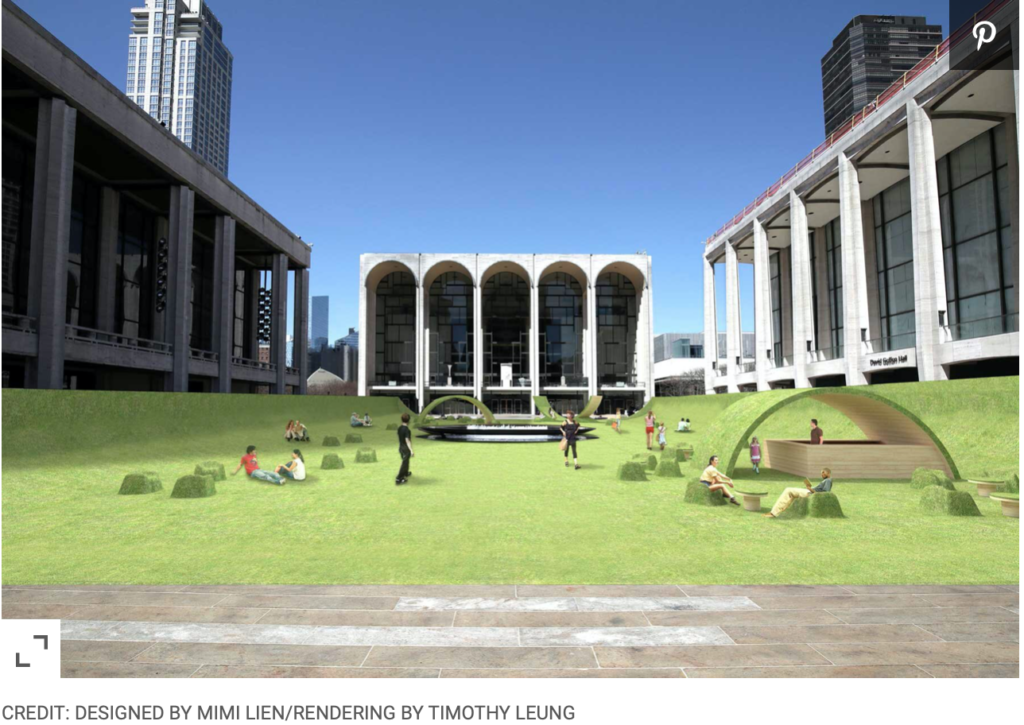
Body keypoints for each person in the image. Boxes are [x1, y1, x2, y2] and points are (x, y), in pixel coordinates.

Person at [764, 468, 834, 518]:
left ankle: (774, 513)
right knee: (791, 495)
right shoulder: (826, 481)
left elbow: (825, 494)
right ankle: (776, 512)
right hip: (809, 491)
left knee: (788, 490)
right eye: (821, 473)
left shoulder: (828, 481)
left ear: (828, 473)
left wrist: (810, 489)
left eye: (823, 473)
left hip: (809, 493)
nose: (822, 474)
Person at [395, 412, 414, 485]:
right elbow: (407, 440)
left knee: (406, 461)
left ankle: (405, 473)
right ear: (409, 420)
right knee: (404, 463)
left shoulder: (399, 428)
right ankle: (399, 478)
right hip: (406, 449)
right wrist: (411, 450)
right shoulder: (407, 430)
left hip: (401, 448)